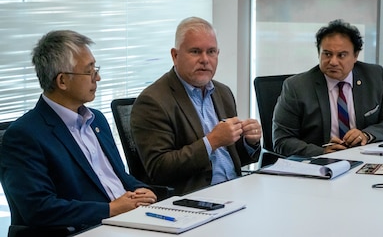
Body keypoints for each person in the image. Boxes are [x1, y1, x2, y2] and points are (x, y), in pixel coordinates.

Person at [0, 30, 157, 235]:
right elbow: (38, 209)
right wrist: (111, 209)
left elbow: (115, 177)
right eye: (89, 71)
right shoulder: (23, 135)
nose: (98, 77)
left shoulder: (96, 119)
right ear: (62, 81)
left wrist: (141, 189)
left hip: (124, 223)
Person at [131, 16, 261, 195]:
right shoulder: (153, 101)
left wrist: (249, 142)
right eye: (195, 51)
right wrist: (212, 142)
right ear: (175, 56)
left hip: (234, 190)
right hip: (194, 199)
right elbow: (159, 168)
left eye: (211, 52)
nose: (205, 59)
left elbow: (235, 159)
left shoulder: (223, 93)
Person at [272, 19, 383, 157]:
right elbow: (282, 140)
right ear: (319, 53)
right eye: (327, 54)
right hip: (319, 166)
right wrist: (322, 153)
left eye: (341, 55)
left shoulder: (375, 77)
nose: (333, 62)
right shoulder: (296, 87)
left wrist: (366, 135)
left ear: (355, 55)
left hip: (366, 159)